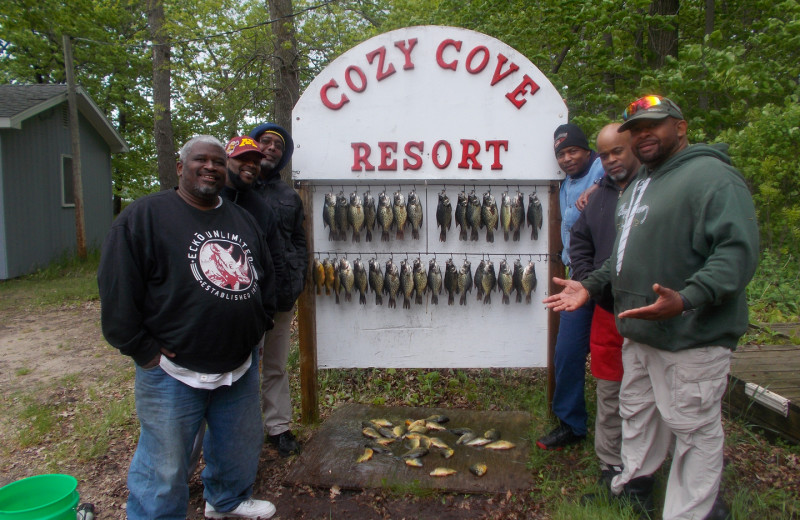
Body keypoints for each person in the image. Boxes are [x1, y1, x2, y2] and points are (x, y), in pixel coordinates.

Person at [544, 95, 759, 520]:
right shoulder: (642, 184)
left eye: (653, 126)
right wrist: (590, 286)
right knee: (637, 417)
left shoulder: (712, 177)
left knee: (693, 429)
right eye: (636, 129)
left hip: (690, 335)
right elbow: (621, 257)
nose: (644, 135)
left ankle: (695, 512)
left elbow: (737, 254)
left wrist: (687, 298)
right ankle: (634, 489)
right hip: (639, 334)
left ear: (680, 127)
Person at [98, 135, 279, 520]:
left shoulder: (240, 217)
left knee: (238, 443)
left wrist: (257, 328)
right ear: (181, 167)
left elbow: (263, 276)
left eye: (217, 161)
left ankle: (226, 501)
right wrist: (141, 349)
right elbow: (117, 291)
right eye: (201, 160)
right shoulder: (144, 217)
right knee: (164, 462)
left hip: (239, 365)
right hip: (172, 371)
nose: (210, 167)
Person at [569, 123, 640, 487]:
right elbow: (579, 241)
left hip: (651, 314)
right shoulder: (598, 197)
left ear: (636, 148)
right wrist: (588, 279)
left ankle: (645, 468)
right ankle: (610, 465)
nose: (611, 160)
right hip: (606, 311)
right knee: (609, 390)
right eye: (605, 153)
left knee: (650, 394)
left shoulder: (655, 189)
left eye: (618, 151)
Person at [537, 123, 605, 450]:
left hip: (608, 277)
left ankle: (619, 432)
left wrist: (600, 187)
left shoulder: (604, 170)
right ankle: (572, 424)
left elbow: (630, 172)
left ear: (588, 151)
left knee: (620, 356)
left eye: (573, 151)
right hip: (576, 278)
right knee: (566, 352)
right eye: (561, 154)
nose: (567, 158)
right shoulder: (564, 185)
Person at [248, 122, 308, 457]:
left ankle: (279, 428)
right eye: (265, 142)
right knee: (240, 368)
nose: (271, 148)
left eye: (278, 146)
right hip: (244, 297)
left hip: (283, 295)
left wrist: (298, 274)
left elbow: (298, 239)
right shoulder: (235, 188)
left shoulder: (289, 196)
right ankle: (243, 430)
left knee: (276, 365)